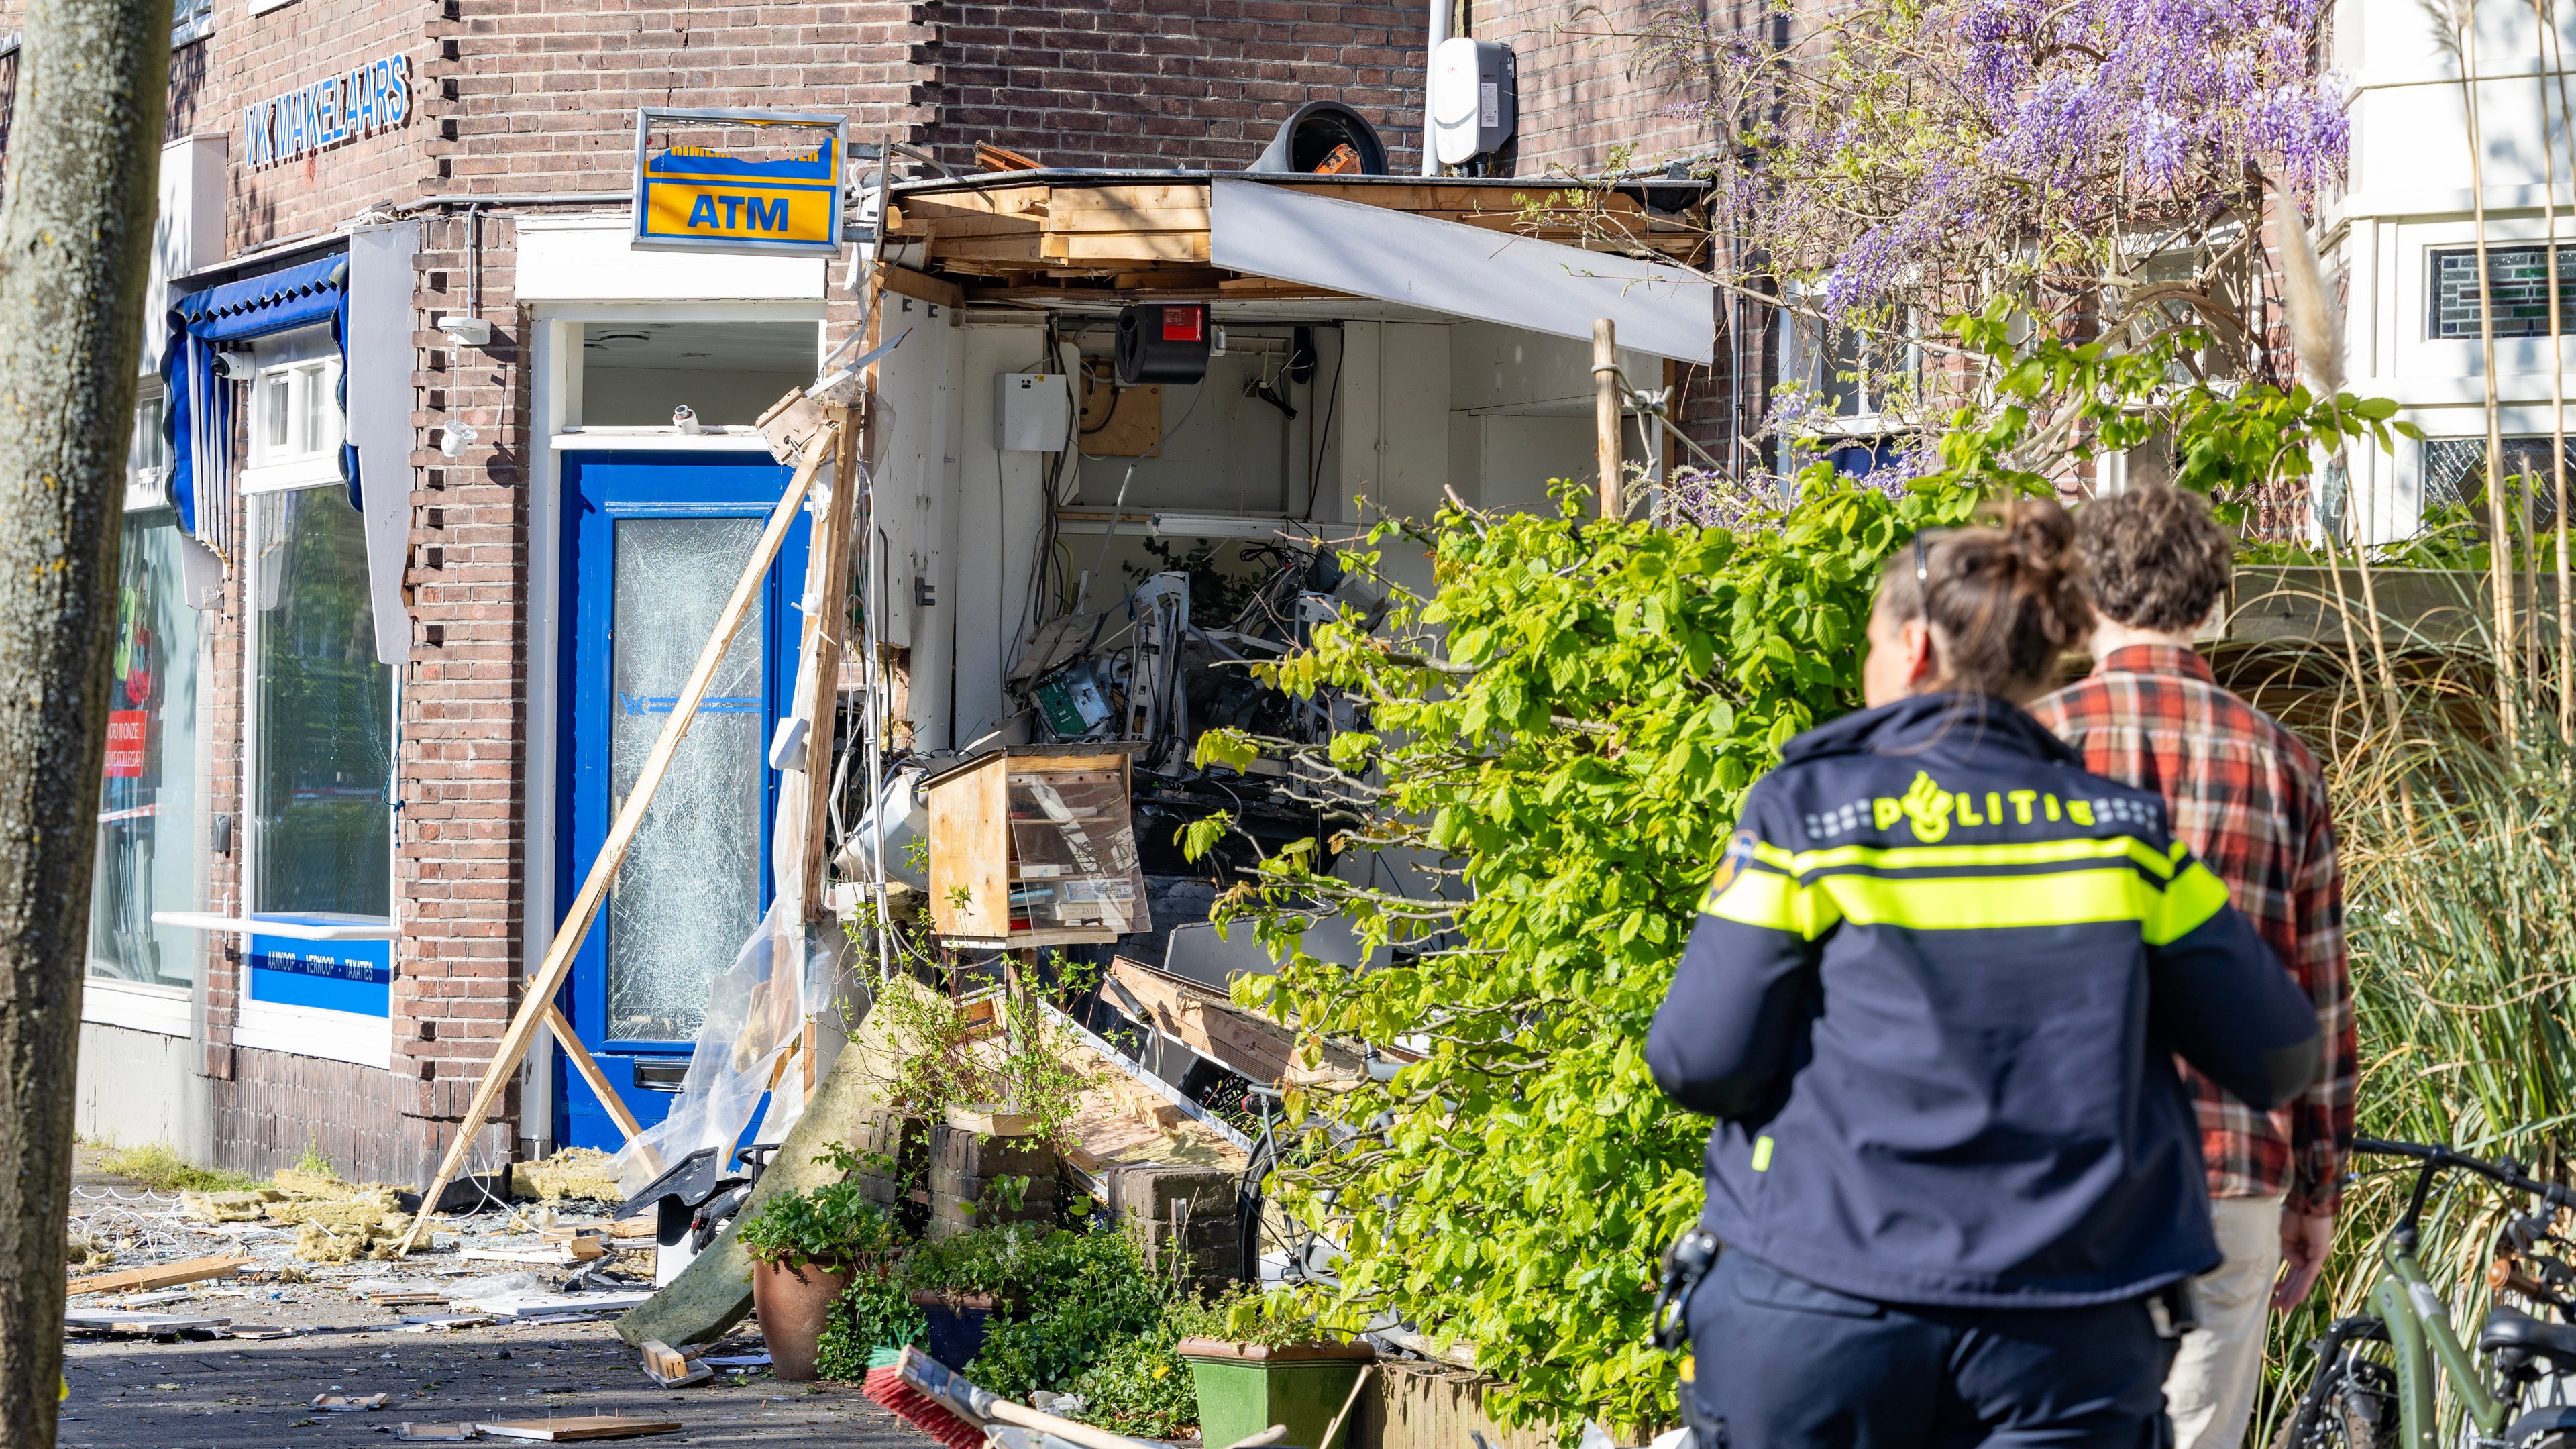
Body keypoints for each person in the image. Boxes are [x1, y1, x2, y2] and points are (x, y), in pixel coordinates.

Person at [1647, 498, 2322, 1447]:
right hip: (2065, 1333)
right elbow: (2279, 1053)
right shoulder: (2120, 836)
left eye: (1869, 644)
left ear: (1914, 648)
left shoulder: (1809, 818)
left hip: (1821, 1303)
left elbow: (1698, 1061)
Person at [2027, 483, 2353, 1449]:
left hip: (2057, 1165)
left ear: (2083, 595)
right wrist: (2318, 1191)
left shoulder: (2028, 749)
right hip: (2228, 1168)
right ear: (2212, 602)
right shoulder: (2283, 763)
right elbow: (2318, 1001)